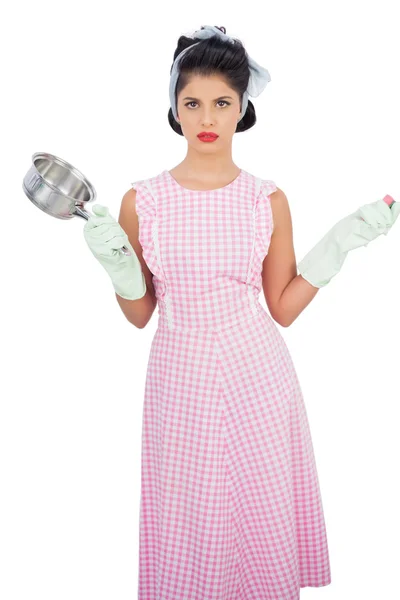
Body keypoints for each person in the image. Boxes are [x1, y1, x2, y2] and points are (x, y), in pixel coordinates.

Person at [83, 24, 399, 600]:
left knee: (258, 515)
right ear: (174, 109)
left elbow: (282, 308)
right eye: (193, 102)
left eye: (222, 103)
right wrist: (120, 270)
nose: (207, 118)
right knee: (187, 520)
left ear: (243, 107)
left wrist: (341, 244)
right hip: (178, 380)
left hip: (260, 378)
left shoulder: (265, 198)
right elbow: (139, 314)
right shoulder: (142, 200)